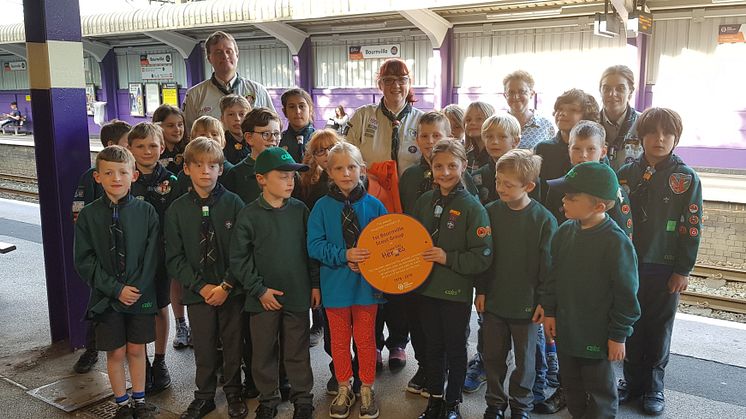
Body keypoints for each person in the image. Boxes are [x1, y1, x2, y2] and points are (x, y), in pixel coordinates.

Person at [617, 108, 702, 415]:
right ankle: (631, 382)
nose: (660, 139)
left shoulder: (685, 177)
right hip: (629, 266)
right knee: (631, 324)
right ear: (641, 137)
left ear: (676, 138)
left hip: (664, 267)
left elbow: (692, 226)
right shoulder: (626, 173)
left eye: (668, 133)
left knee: (659, 326)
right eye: (652, 132)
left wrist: (683, 269)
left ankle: (654, 385)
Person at [541, 162, 640, 419]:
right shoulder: (564, 232)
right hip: (567, 330)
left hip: (597, 335)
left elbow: (627, 295)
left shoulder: (616, 243)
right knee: (571, 386)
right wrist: (549, 312)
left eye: (572, 197)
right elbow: (552, 277)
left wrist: (619, 335)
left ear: (599, 206)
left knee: (600, 393)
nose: (564, 200)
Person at [231, 147, 319, 419]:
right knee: (263, 352)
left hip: (297, 293)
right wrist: (258, 289)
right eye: (283, 176)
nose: (290, 181)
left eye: (292, 176)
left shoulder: (300, 210)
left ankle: (302, 398)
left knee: (297, 350)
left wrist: (315, 285)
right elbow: (238, 259)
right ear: (261, 179)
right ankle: (268, 398)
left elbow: (310, 251)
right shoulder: (249, 215)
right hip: (262, 298)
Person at [74, 145, 159, 419]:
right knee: (116, 351)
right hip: (106, 297)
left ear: (133, 176)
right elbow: (84, 260)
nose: (116, 178)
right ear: (97, 177)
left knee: (137, 348)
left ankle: (140, 400)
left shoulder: (147, 212)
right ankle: (121, 404)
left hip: (140, 294)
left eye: (123, 172)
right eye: (108, 172)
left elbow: (152, 255)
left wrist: (135, 289)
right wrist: (116, 289)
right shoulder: (88, 215)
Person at [164, 138, 247, 419]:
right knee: (203, 344)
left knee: (233, 342)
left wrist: (226, 285)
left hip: (231, 291)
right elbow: (174, 257)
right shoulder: (177, 209)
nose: (205, 171)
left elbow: (242, 250)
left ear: (221, 170)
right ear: (186, 169)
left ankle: (234, 390)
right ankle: (204, 395)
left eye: (212, 165)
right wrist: (201, 286)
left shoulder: (234, 204)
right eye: (198, 165)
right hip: (197, 293)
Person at [412, 139, 492, 419]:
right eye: (438, 166)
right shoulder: (423, 202)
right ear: (430, 168)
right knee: (432, 347)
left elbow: (482, 257)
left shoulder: (472, 208)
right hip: (425, 290)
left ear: (464, 166)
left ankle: (451, 403)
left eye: (452, 166)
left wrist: (448, 258)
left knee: (456, 349)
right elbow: (411, 241)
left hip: (455, 293)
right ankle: (434, 399)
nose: (445, 172)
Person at [307, 142, 386, 419]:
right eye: (338, 168)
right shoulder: (321, 207)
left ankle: (366, 386)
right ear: (329, 172)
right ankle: (344, 385)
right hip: (335, 287)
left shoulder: (375, 206)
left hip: (367, 288)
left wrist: (371, 261)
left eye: (352, 167)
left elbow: (387, 248)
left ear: (362, 169)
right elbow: (314, 246)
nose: (346, 173)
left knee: (365, 340)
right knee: (339, 341)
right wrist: (344, 254)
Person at [476, 149, 557, 419]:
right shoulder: (489, 213)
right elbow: (483, 256)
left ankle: (521, 406)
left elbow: (549, 268)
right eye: (498, 181)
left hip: (528, 306)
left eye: (507, 184)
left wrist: (545, 302)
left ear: (529, 186)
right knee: (493, 357)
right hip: (495, 303)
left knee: (526, 362)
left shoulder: (544, 220)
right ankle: (495, 404)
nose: (499, 188)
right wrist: (482, 290)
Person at [72, 120, 132, 374]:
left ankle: (128, 349)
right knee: (98, 304)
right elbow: (78, 213)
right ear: (111, 144)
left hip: (127, 257)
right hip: (101, 257)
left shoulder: (129, 172)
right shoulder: (90, 177)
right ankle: (92, 348)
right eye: (129, 143)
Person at [128, 122, 179, 395]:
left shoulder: (172, 181)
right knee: (136, 311)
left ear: (162, 147)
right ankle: (142, 362)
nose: (147, 151)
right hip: (132, 261)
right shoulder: (125, 179)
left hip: (161, 258)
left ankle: (159, 361)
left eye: (152, 145)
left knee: (160, 307)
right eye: (140, 146)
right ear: (130, 148)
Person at [347, 58, 424, 176]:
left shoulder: (422, 121)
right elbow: (346, 155)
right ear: (380, 84)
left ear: (409, 83)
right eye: (388, 80)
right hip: (372, 189)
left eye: (402, 80)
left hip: (411, 191)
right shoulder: (362, 116)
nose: (396, 85)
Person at [183, 30, 275, 130]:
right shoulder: (195, 95)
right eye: (218, 52)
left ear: (237, 55)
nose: (225, 56)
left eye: (229, 51)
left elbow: (273, 127)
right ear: (209, 58)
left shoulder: (258, 91)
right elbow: (188, 132)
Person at [535, 89, 599, 222]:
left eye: (573, 110)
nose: (563, 114)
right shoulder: (544, 149)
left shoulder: (594, 151)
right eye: (560, 109)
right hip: (550, 217)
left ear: (586, 116)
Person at [568, 120, 634, 239]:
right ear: (569, 150)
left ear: (603, 152)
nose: (583, 155)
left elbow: (623, 234)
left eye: (591, 149)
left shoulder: (613, 190)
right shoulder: (562, 184)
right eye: (576, 148)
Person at [222, 107, 281, 205]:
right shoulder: (236, 174)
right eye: (266, 134)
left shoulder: (287, 170)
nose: (273, 138)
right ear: (249, 138)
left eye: (276, 134)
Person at [599, 65, 640, 171]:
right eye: (606, 88)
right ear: (600, 91)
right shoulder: (589, 124)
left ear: (630, 91)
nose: (612, 94)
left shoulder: (645, 123)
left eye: (620, 89)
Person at [502, 71, 555, 150]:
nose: (516, 97)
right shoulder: (497, 124)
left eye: (521, 92)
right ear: (505, 95)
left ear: (532, 94)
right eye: (511, 92)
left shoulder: (546, 125)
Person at [279, 88, 316, 163]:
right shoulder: (279, 141)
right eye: (292, 107)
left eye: (302, 106)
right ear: (284, 112)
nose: (297, 111)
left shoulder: (321, 139)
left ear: (310, 109)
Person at [153, 105, 187, 176]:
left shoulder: (189, 149)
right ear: (158, 127)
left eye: (180, 124)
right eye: (170, 126)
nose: (177, 129)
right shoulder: (153, 151)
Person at [463, 101, 495, 173]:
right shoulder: (467, 156)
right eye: (468, 120)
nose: (472, 123)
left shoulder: (495, 154)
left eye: (479, 119)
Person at [220, 94, 252, 165]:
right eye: (231, 114)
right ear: (222, 118)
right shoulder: (220, 142)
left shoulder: (256, 140)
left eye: (241, 114)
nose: (237, 119)